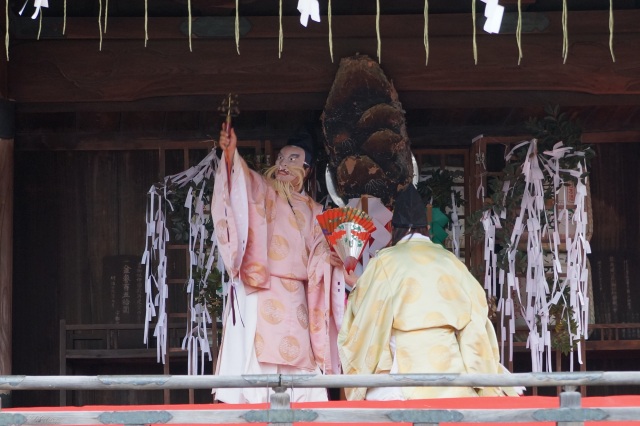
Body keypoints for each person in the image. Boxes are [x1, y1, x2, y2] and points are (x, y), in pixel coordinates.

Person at [338, 183, 520, 400]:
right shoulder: (451, 262)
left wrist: (357, 286)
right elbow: (476, 316)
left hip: (404, 371)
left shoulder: (385, 262)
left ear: (394, 229)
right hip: (451, 372)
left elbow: (368, 315)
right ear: (426, 227)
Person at [210, 124, 346, 404]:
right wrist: (231, 154)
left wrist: (332, 260)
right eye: (281, 158)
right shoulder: (265, 192)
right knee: (258, 360)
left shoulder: (316, 210)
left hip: (298, 295)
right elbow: (243, 184)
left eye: (293, 159)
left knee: (299, 359)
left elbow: (318, 257)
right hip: (262, 288)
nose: (284, 164)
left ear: (307, 169)